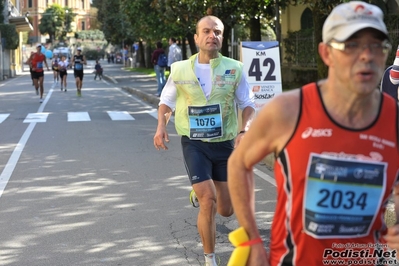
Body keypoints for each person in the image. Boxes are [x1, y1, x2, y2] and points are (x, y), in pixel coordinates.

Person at [227, 2, 399, 266]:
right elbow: (239, 163)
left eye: (377, 46)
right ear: (326, 53)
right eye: (351, 45)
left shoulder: (394, 117)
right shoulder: (288, 110)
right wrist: (251, 240)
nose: (367, 55)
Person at [153, 15, 255, 266]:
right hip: (194, 142)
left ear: (222, 37)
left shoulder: (234, 68)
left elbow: (248, 103)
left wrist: (245, 131)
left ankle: (199, 191)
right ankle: (210, 259)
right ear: (197, 38)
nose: (213, 36)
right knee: (208, 199)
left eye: (217, 32)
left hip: (225, 144)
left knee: (226, 210)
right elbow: (166, 102)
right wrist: (160, 126)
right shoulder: (179, 69)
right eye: (207, 31)